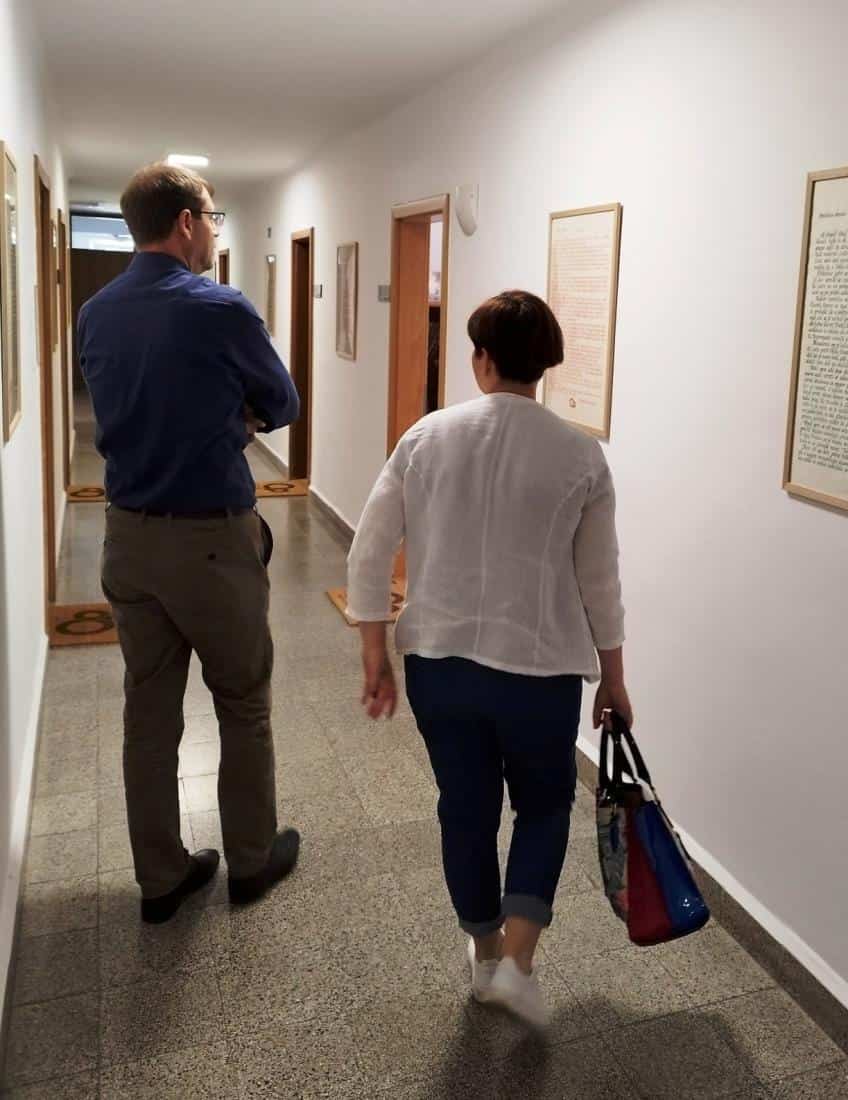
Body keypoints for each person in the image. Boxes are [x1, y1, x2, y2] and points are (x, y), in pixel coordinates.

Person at [346, 290, 631, 1027]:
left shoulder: (426, 437)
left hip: (440, 667)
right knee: (544, 805)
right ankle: (519, 963)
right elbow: (599, 581)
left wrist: (375, 652)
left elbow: (369, 551)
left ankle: (482, 957)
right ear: (545, 365)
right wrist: (614, 677)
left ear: (480, 359)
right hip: (541, 672)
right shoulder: (580, 455)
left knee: (465, 811)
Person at [78, 163, 301, 923]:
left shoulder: (96, 313)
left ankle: (161, 877)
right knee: (242, 700)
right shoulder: (220, 307)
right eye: (211, 218)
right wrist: (233, 417)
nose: (212, 232)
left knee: (149, 713)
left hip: (126, 538)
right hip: (210, 542)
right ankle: (250, 860)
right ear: (184, 223)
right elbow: (282, 401)